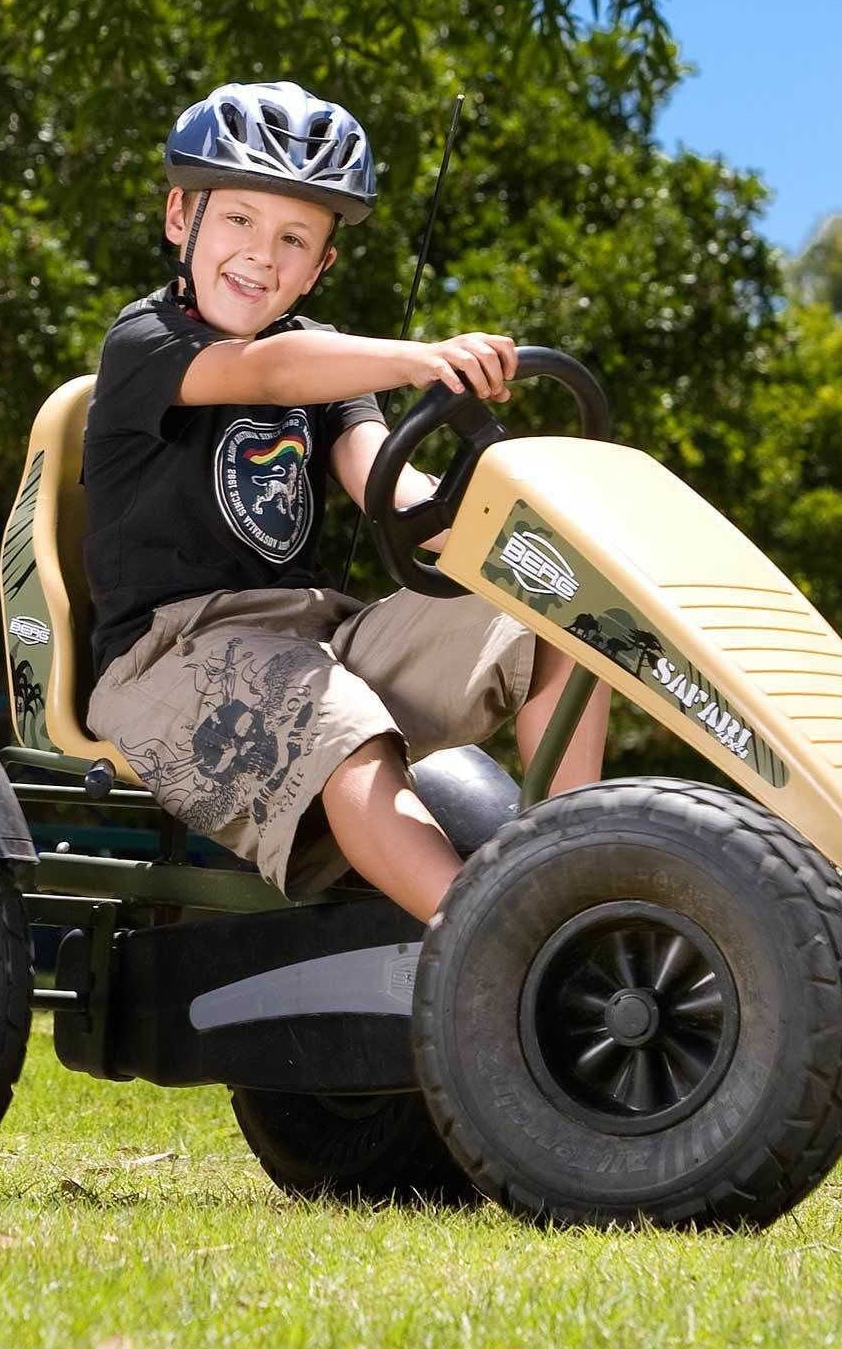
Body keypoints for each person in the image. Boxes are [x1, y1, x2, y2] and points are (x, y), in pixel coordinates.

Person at [82, 80, 608, 920]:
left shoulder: (321, 358)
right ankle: (494, 942)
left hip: (321, 636)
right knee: (334, 719)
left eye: (294, 237)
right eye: (240, 220)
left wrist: (497, 536)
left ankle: (576, 886)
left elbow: (384, 478)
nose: (262, 253)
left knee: (562, 613)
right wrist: (418, 358)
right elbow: (262, 372)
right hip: (168, 656)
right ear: (182, 218)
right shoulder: (146, 341)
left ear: (322, 266)